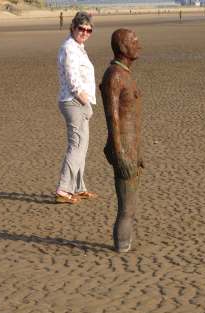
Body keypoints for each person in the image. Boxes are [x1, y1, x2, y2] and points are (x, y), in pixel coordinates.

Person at [100, 29, 143, 253]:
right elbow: (112, 117)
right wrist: (119, 152)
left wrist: (138, 153)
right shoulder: (114, 75)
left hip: (132, 148)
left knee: (131, 204)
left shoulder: (125, 74)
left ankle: (125, 243)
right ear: (123, 47)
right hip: (123, 148)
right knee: (126, 206)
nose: (139, 44)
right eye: (134, 41)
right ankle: (122, 247)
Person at [55, 12, 97, 204]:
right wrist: (84, 101)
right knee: (76, 146)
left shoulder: (78, 47)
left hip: (78, 102)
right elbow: (72, 78)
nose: (85, 32)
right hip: (74, 102)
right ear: (73, 27)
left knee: (82, 146)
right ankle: (64, 189)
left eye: (89, 30)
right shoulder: (69, 48)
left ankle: (78, 187)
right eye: (81, 28)